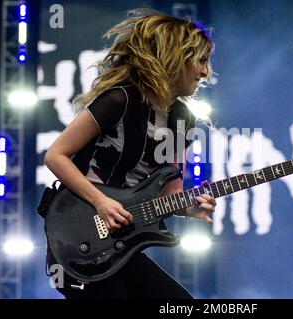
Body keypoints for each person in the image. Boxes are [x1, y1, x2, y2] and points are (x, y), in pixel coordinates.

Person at [43, 8, 216, 299]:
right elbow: (55, 155)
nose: (204, 72)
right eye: (200, 61)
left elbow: (168, 196)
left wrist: (188, 209)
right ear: (175, 58)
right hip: (80, 240)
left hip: (121, 247)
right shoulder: (118, 100)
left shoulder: (183, 119)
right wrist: (101, 202)